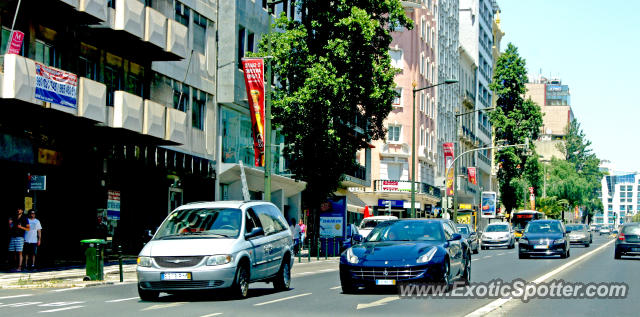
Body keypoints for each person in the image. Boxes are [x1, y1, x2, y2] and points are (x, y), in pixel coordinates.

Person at [8, 207, 30, 272]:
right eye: (17, 209)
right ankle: (15, 266)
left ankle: (19, 267)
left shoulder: (24, 218)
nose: (18, 210)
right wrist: (10, 223)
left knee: (19, 252)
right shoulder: (14, 218)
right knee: (13, 252)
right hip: (13, 236)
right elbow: (11, 227)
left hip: (20, 237)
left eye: (19, 209)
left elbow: (28, 229)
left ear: (22, 211)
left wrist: (21, 227)